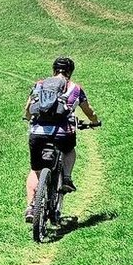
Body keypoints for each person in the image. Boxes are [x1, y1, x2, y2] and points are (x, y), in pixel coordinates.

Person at [24, 56, 99, 222]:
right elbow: (88, 110)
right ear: (70, 72)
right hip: (63, 134)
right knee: (69, 150)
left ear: (53, 70)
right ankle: (66, 178)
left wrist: (28, 118)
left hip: (37, 133)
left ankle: (31, 207)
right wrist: (94, 121)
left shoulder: (40, 84)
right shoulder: (75, 88)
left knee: (35, 171)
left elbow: (28, 109)